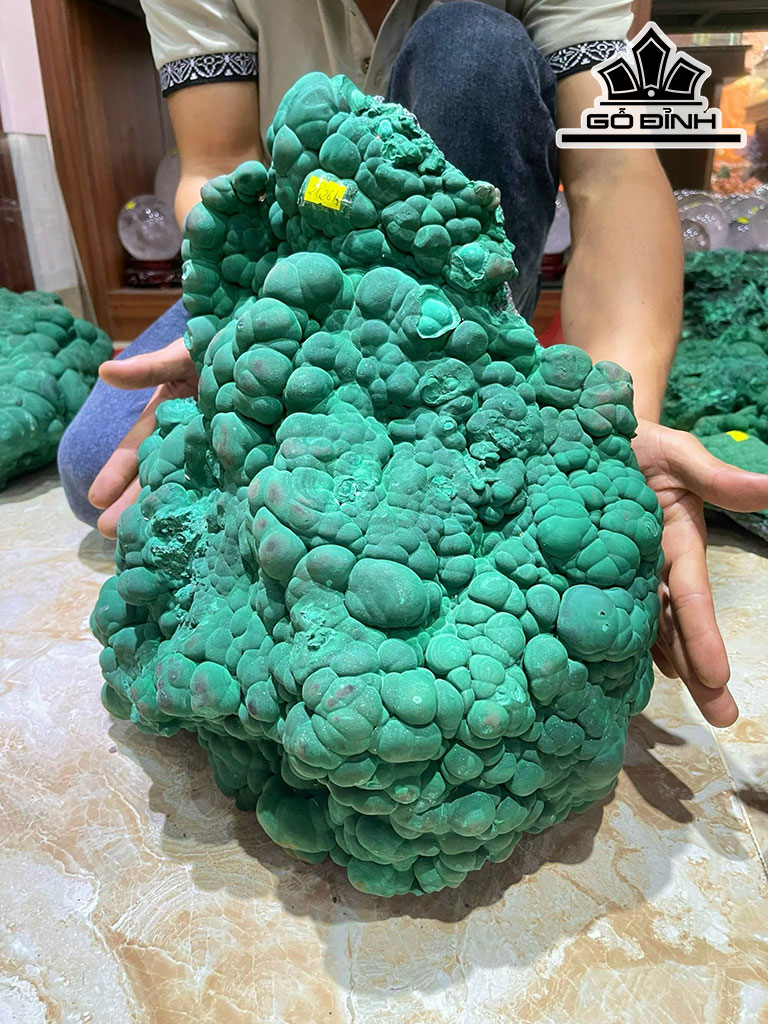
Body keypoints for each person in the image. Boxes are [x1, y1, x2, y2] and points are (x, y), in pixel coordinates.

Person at [58, 0, 768, 729]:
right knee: (92, 469)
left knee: (472, 43)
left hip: (464, 276)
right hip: (294, 256)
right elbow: (214, 167)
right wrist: (242, 325)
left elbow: (615, 171)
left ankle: (483, 344)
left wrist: (609, 432)